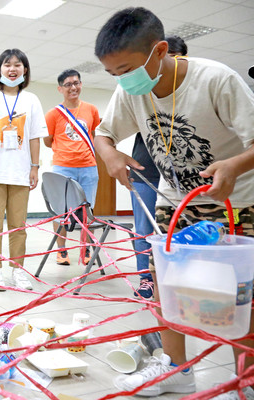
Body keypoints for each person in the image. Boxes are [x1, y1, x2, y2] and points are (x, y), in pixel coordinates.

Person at [94, 7, 254, 399]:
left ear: (160, 50)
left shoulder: (215, 80)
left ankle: (246, 379)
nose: (120, 80)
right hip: (175, 202)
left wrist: (233, 165)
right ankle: (176, 369)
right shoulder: (130, 91)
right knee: (168, 287)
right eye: (112, 73)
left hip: (237, 201)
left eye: (126, 69)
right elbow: (103, 133)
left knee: (242, 298)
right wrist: (110, 155)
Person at [0, 48, 48, 292]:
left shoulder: (31, 100)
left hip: (20, 173)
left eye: (17, 65)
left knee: (18, 227)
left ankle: (18, 270)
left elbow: (34, 137)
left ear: (25, 70)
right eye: (7, 65)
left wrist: (35, 167)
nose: (12, 69)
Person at [129, 35, 188, 300]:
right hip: (145, 173)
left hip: (184, 177)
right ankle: (146, 279)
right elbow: (108, 129)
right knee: (143, 230)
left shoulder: (191, 92)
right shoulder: (144, 91)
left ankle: (177, 280)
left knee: (181, 231)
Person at [43, 69, 100, 266]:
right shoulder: (52, 114)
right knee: (61, 211)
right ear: (60, 89)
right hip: (62, 167)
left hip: (89, 168)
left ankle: (85, 251)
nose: (73, 87)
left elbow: (94, 135)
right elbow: (48, 141)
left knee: (88, 210)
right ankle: (62, 251)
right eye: (68, 84)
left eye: (76, 83)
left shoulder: (91, 110)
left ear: (81, 84)